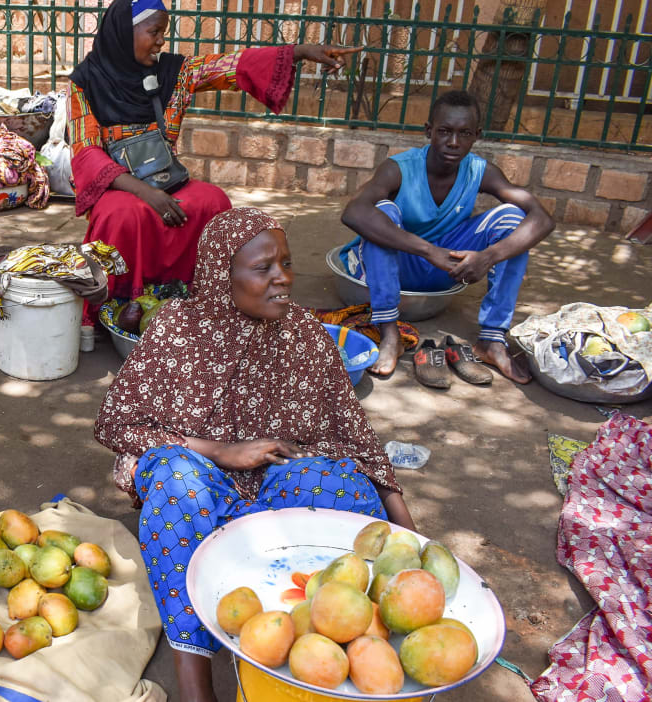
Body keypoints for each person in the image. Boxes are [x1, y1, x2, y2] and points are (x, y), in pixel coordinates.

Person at [94, 207, 413, 702]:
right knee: (175, 481)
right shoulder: (178, 330)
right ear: (222, 274)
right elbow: (118, 424)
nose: (282, 278)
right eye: (262, 269)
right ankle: (196, 681)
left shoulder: (306, 335)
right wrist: (219, 450)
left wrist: (409, 540)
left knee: (345, 485)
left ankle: (298, 641)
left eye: (285, 263)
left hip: (280, 487)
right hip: (200, 487)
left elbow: (359, 439)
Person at [68, 0, 359, 329]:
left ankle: (202, 296)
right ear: (124, 32)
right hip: (120, 185)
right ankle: (116, 307)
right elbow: (86, 152)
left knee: (212, 201)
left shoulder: (174, 73)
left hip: (166, 178)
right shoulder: (84, 82)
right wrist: (147, 194)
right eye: (155, 32)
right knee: (122, 214)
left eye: (164, 32)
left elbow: (231, 66)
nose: (162, 40)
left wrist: (302, 52)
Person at [339, 90, 555, 383]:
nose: (453, 142)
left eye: (464, 133)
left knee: (513, 217)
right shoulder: (399, 168)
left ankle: (492, 339)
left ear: (476, 135)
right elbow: (353, 213)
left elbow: (543, 218)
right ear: (429, 130)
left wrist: (488, 257)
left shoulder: (480, 171)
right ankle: (389, 331)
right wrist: (429, 251)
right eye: (444, 131)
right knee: (381, 211)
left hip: (447, 268)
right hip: (398, 266)